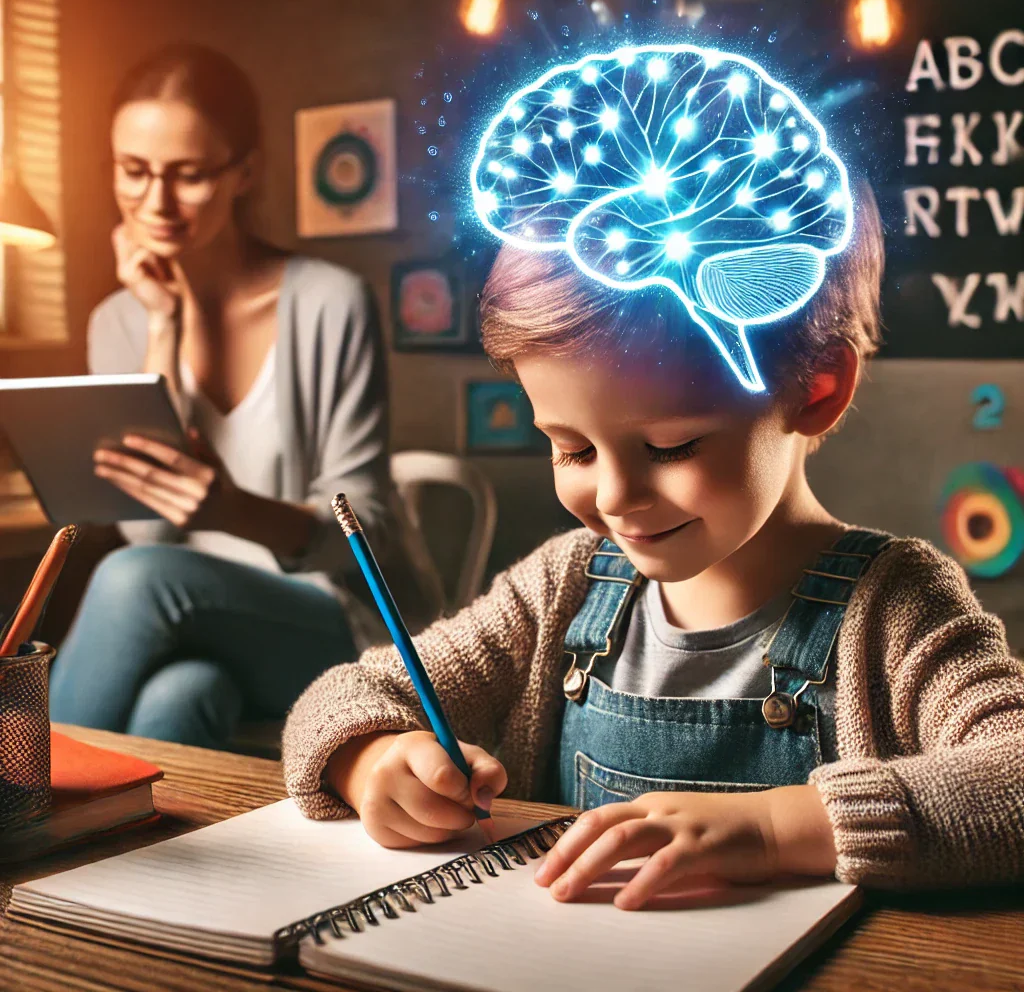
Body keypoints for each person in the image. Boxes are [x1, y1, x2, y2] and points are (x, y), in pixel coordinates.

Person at [281, 185, 1024, 907]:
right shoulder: (563, 587)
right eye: (572, 451)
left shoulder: (895, 608)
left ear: (816, 387)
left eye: (671, 448)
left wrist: (775, 829)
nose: (612, 498)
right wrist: (371, 759)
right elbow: (342, 696)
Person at [50, 44, 435, 750]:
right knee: (184, 695)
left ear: (245, 172)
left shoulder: (329, 302)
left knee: (135, 580)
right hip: (191, 625)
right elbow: (151, 529)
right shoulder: (119, 321)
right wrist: (163, 325)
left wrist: (231, 511)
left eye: (188, 175)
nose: (155, 202)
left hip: (335, 622)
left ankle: (15, 804)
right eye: (133, 172)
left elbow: (367, 532)